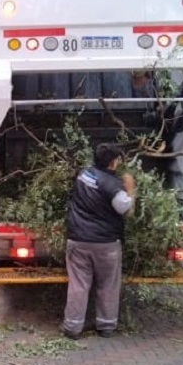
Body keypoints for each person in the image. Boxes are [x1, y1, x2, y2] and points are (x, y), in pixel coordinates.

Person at [62, 143, 136, 340]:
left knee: (78, 285)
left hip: (78, 240)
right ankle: (106, 326)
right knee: (108, 285)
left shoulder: (83, 174)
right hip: (106, 244)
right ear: (113, 162)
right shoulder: (113, 186)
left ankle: (72, 328)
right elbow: (126, 210)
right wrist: (130, 188)